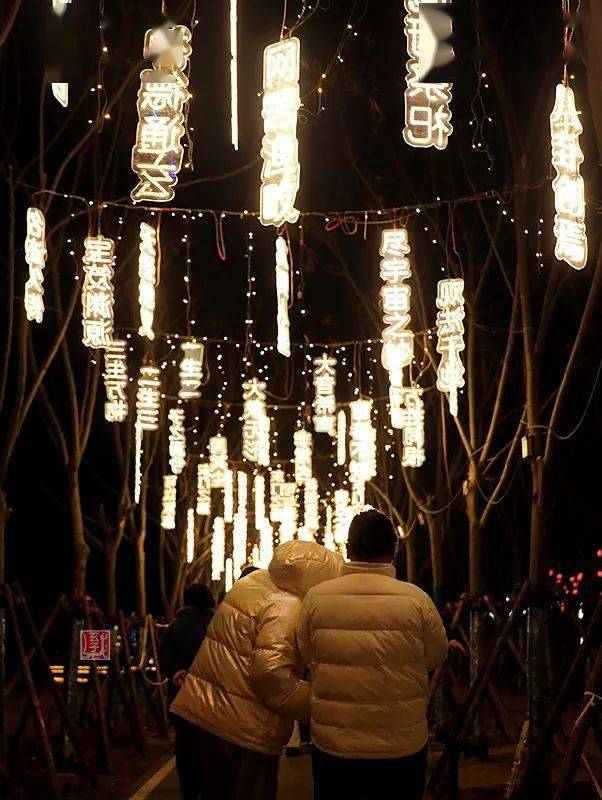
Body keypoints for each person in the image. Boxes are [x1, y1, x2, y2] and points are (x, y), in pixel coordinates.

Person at [171, 540, 342, 800]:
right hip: (245, 727)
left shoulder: (252, 582)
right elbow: (271, 675)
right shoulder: (287, 606)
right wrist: (315, 703)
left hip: (207, 713)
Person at [296, 509, 449, 800]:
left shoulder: (316, 598)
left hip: (335, 743)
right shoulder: (417, 600)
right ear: (393, 551)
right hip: (401, 742)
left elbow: (305, 652)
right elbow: (436, 655)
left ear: (348, 550)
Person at [159, 583, 216, 800]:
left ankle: (189, 790)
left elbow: (165, 658)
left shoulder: (175, 627)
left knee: (185, 747)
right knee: (212, 747)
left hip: (183, 696)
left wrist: (177, 673)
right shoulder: (218, 624)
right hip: (214, 697)